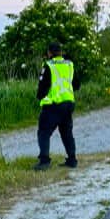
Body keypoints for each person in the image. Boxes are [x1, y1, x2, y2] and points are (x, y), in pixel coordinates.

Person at [34, 42, 81, 170]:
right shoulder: (69, 64)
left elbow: (43, 86)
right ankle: (72, 159)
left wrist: (40, 97)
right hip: (68, 104)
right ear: (60, 52)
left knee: (44, 132)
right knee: (67, 133)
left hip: (53, 105)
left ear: (49, 53)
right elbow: (76, 84)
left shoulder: (48, 65)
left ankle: (44, 161)